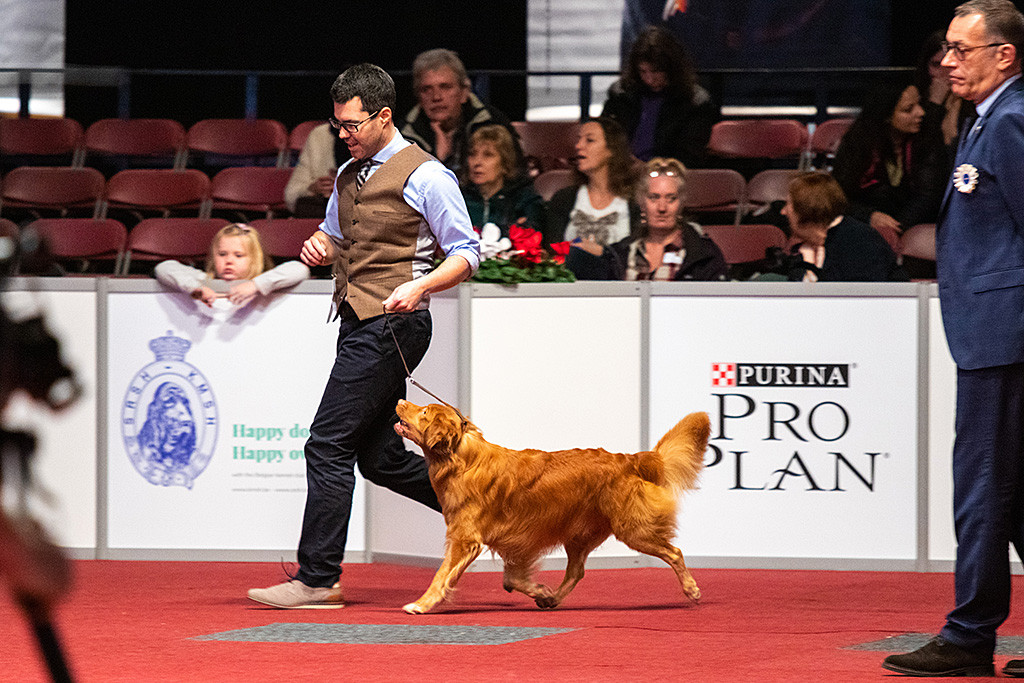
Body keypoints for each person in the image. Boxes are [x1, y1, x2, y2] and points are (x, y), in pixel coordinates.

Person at [247, 63, 479, 609]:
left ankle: (319, 577)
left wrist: (420, 287)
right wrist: (318, 247)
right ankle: (489, 511)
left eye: (352, 125)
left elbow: (468, 252)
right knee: (379, 459)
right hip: (360, 320)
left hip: (395, 322)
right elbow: (334, 233)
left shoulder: (427, 175)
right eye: (337, 126)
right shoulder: (350, 174)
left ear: (383, 116)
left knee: (326, 444)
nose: (343, 135)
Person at [882, 1, 1024, 677]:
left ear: (1005, 55)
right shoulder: (988, 117)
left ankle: (969, 634)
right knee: (1012, 494)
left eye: (962, 50)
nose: (946, 61)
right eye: (946, 48)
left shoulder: (1012, 120)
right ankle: (972, 628)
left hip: (1006, 335)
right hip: (995, 331)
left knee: (983, 488)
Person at [565, 157, 726, 281]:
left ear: (681, 203)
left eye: (671, 198)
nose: (662, 208)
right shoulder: (621, 254)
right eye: (653, 198)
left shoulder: (704, 255)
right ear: (642, 202)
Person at [831, 80, 948, 237]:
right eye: (908, 110)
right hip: (864, 226)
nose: (921, 112)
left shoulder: (927, 139)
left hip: (914, 227)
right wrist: (869, 216)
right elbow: (837, 195)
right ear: (886, 116)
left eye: (919, 103)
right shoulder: (858, 143)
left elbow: (929, 197)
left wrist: (896, 228)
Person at [601, 25, 717, 167]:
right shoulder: (621, 95)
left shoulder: (696, 103)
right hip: (621, 174)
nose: (649, 79)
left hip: (668, 178)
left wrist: (648, 168)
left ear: (672, 68)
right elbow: (604, 138)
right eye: (643, 71)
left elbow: (690, 157)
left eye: (656, 72)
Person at [399, 48, 519, 176]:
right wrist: (439, 158)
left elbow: (517, 176)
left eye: (445, 87)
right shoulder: (404, 135)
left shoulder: (492, 123)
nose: (436, 97)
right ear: (418, 97)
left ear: (464, 92)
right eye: (426, 89)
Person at [770, 172, 907, 282]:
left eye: (789, 204)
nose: (783, 211)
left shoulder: (859, 242)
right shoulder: (806, 247)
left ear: (806, 210)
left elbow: (861, 302)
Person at [154, 223, 309, 310]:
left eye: (238, 255)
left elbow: (300, 269)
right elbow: (164, 267)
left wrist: (255, 285)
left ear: (255, 259)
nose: (229, 261)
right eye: (222, 254)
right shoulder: (205, 282)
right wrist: (194, 288)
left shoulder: (263, 281)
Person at [543, 117, 637, 249]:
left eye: (589, 140)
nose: (578, 146)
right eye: (579, 139)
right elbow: (552, 252)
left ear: (611, 150)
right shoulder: (563, 199)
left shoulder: (635, 202)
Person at [461, 124, 545, 235]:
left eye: (488, 155)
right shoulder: (459, 199)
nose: (477, 162)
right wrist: (509, 229)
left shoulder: (525, 201)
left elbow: (529, 237)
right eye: (472, 154)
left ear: (505, 163)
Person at [284, 122, 351, 217]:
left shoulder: (376, 134)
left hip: (365, 213)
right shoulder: (320, 135)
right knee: (305, 206)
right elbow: (291, 195)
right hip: (324, 211)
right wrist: (312, 189)